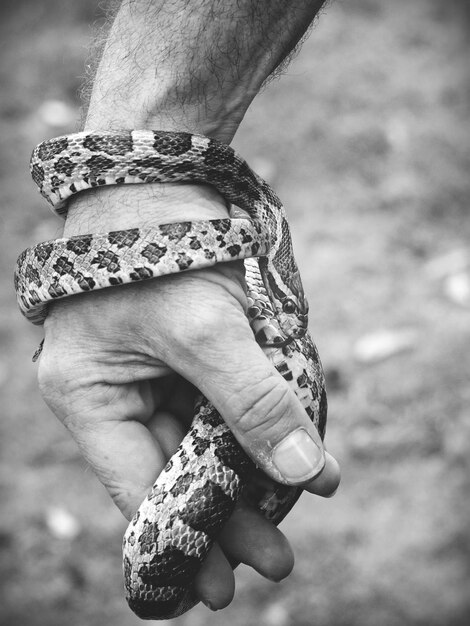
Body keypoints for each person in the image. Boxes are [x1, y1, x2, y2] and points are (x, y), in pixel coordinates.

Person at [37, 0, 341, 612]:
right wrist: (134, 198)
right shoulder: (250, 226)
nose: (275, 325)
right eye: (275, 313)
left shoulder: (254, 236)